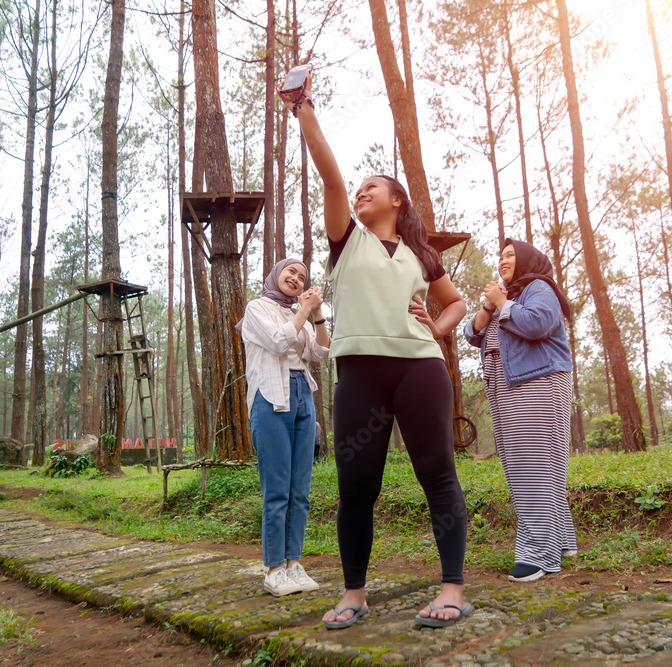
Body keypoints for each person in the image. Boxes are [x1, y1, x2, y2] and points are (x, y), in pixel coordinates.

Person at [281, 73, 472, 630]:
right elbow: (332, 179)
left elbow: (455, 304)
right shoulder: (349, 239)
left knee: (438, 474)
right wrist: (305, 113)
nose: (362, 191)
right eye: (360, 188)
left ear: (397, 200)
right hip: (360, 375)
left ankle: (453, 587)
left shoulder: (419, 252)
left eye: (374, 187)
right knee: (356, 486)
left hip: (421, 370)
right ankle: (354, 593)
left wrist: (436, 327)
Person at [463, 239, 578, 582]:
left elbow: (538, 323)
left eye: (511, 255)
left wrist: (502, 303)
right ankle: (561, 540)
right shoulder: (507, 296)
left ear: (529, 259)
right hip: (505, 381)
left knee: (533, 464)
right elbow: (471, 333)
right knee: (526, 464)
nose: (503, 260)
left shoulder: (538, 288)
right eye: (500, 256)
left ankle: (539, 554)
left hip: (537, 380)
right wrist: (489, 306)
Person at [240, 258, 331, 596]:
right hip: (271, 397)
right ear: (276, 274)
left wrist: (317, 314)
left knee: (300, 491)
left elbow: (322, 352)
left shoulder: (303, 314)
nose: (296, 277)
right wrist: (304, 309)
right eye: (290, 271)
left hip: (303, 397)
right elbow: (279, 342)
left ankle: (294, 563)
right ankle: (274, 568)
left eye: (303, 276)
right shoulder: (257, 308)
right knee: (277, 489)